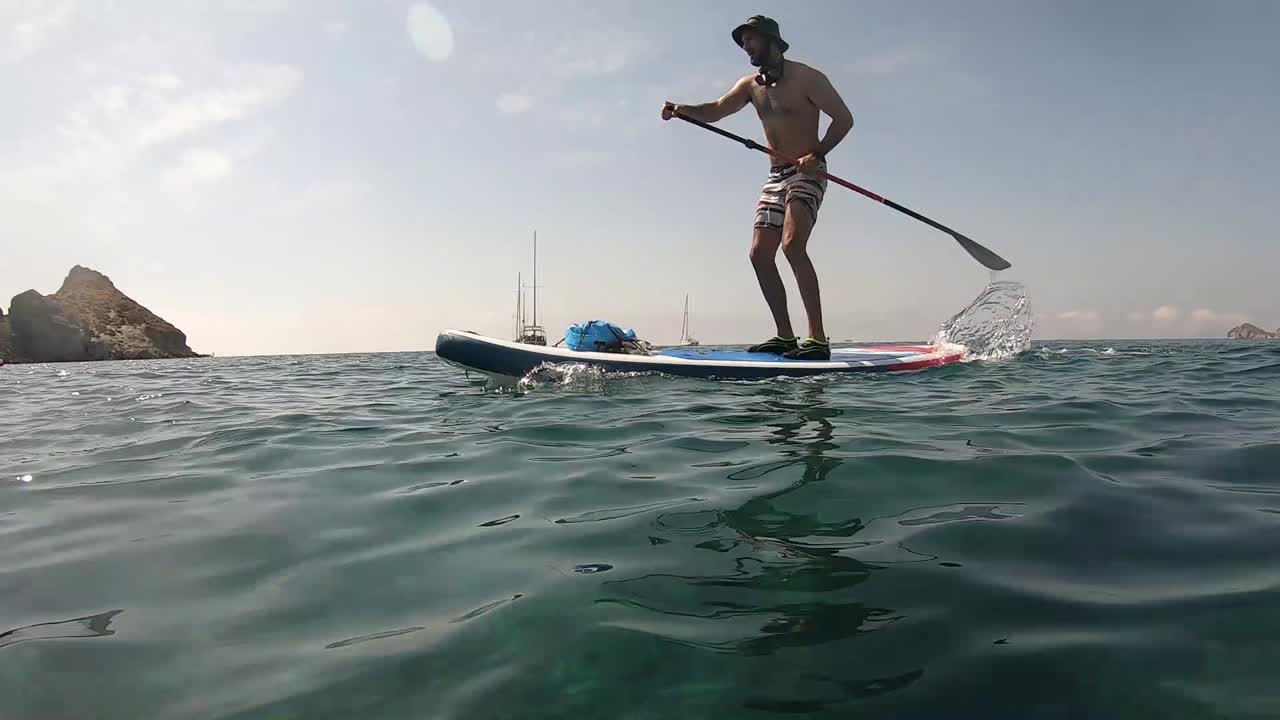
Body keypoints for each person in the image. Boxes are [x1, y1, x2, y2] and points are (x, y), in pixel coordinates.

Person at [662, 15, 853, 360]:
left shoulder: (807, 77)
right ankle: (785, 336)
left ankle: (817, 339)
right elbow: (715, 110)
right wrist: (680, 110)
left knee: (792, 245)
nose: (745, 46)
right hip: (775, 176)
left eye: (750, 39)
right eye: (743, 42)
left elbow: (844, 119)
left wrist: (817, 153)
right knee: (760, 254)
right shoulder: (750, 85)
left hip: (808, 173)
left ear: (771, 41)